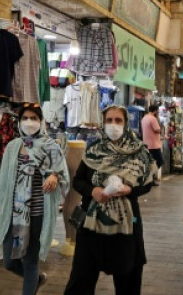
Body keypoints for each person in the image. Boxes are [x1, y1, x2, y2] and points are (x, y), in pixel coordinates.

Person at [63, 105, 157, 295]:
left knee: (127, 280)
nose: (113, 125)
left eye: (118, 120)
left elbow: (147, 183)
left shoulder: (139, 152)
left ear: (126, 123)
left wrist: (131, 190)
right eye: (109, 120)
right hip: (91, 228)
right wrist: (93, 190)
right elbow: (78, 181)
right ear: (103, 123)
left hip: (126, 228)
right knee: (81, 279)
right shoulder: (93, 151)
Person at [0, 103, 69, 295]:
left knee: (30, 260)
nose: (29, 122)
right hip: (14, 212)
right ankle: (37, 278)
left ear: (41, 121)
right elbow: (4, 182)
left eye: (33, 118)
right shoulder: (13, 147)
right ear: (19, 122)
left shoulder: (51, 146)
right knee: (10, 262)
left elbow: (62, 172)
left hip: (38, 213)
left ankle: (31, 281)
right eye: (25, 118)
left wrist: (54, 175)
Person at [141, 104, 163, 184]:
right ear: (156, 111)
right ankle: (150, 176)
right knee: (160, 161)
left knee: (150, 162)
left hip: (146, 144)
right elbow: (157, 130)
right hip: (154, 145)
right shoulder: (153, 119)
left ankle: (150, 179)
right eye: (158, 111)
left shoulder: (144, 118)